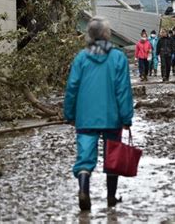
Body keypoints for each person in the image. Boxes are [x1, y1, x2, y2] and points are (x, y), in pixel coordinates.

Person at [64, 17, 134, 211]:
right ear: (107, 35)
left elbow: (72, 87)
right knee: (113, 156)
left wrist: (69, 113)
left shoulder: (81, 58)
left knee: (85, 157)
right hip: (112, 118)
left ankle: (84, 190)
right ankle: (111, 198)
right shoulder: (118, 57)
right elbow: (123, 90)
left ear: (90, 35)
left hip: (85, 117)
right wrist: (127, 117)